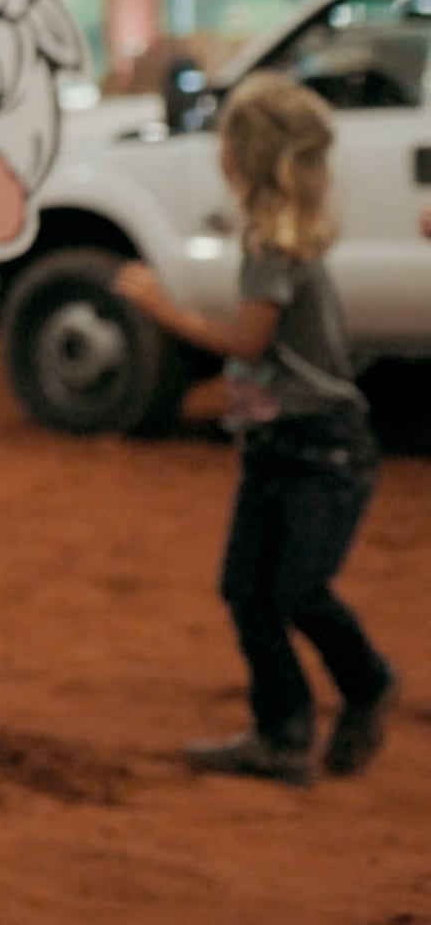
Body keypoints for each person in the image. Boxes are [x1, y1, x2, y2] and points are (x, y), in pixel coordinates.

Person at [119, 75, 396, 784]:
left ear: (243, 157)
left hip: (318, 448)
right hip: (288, 445)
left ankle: (363, 687)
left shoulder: (274, 246)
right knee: (251, 590)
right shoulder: (280, 237)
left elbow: (246, 342)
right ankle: (283, 731)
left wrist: (158, 307)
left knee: (293, 590)